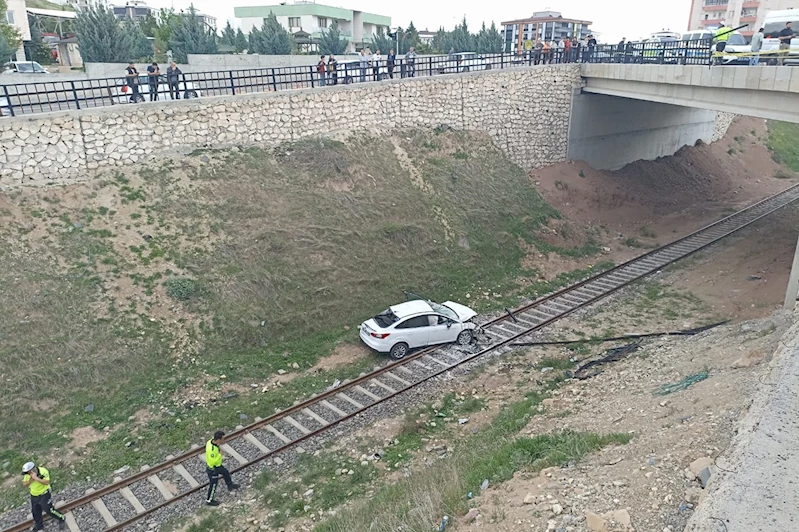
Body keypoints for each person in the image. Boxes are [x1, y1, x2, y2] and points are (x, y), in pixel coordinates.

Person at [22, 462, 66, 531]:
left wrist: (36, 478)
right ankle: (39, 525)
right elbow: (24, 484)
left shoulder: (43, 471)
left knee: (49, 510)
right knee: (35, 511)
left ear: (33, 469)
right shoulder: (27, 475)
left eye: (28, 472)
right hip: (34, 495)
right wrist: (31, 480)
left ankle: (61, 517)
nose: (28, 473)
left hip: (44, 494)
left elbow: (47, 482)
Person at [205, 431, 240, 506]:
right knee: (213, 484)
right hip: (213, 469)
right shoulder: (211, 450)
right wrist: (220, 455)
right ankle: (209, 500)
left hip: (218, 466)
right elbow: (212, 462)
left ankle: (230, 485)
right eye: (223, 439)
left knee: (225, 473)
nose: (224, 440)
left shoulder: (210, 442)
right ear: (218, 440)